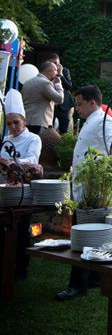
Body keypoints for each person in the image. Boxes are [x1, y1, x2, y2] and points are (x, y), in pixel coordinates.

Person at [56, 85, 112, 301]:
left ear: (93, 102)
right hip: (84, 188)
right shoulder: (89, 121)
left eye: (80, 103)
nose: (78, 108)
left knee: (84, 234)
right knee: (91, 233)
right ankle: (94, 278)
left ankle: (77, 285)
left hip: (95, 189)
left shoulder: (106, 121)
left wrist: (93, 172)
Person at [0, 89, 43, 280]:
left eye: (16, 122)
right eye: (9, 123)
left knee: (22, 229)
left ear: (24, 121)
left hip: (24, 192)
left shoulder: (34, 139)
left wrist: (8, 162)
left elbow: (31, 160)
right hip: (5, 192)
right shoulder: (5, 140)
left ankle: (21, 268)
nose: (13, 127)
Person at [21, 61, 64, 135]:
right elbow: (60, 99)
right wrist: (58, 85)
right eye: (55, 70)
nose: (57, 73)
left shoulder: (27, 82)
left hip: (26, 121)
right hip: (39, 123)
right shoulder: (45, 83)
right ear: (49, 71)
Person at [45, 52, 73, 134]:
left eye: (56, 63)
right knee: (49, 129)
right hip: (51, 104)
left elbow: (69, 86)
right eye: (52, 63)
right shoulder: (46, 72)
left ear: (59, 63)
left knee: (64, 130)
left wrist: (61, 75)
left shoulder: (65, 71)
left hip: (64, 104)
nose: (54, 65)